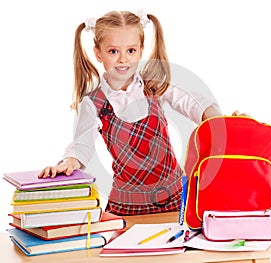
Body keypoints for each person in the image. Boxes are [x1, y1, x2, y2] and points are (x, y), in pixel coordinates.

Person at [38, 10, 244, 215]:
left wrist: (223, 122)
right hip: (127, 205)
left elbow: (195, 105)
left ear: (141, 50)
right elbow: (81, 146)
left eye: (130, 50)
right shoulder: (93, 102)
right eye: (113, 51)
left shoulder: (155, 86)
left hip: (174, 200)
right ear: (98, 53)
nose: (122, 59)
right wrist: (67, 164)